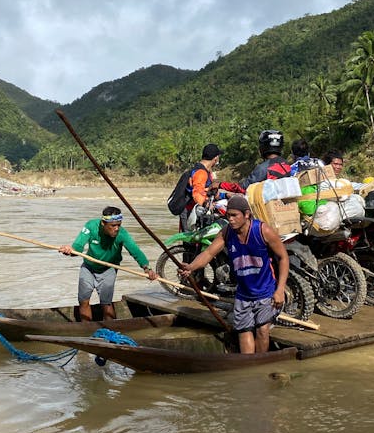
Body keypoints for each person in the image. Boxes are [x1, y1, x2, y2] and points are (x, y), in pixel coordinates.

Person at [180, 194, 289, 354]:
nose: (230, 219)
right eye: (228, 215)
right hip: (243, 294)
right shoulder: (227, 233)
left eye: (234, 215)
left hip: (266, 292)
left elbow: (283, 257)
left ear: (246, 215)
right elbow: (209, 253)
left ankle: (260, 365)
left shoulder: (262, 230)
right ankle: (248, 369)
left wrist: (280, 290)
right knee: (244, 331)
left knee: (262, 330)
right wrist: (190, 267)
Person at [59, 206, 157, 321]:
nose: (116, 229)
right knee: (83, 301)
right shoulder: (91, 226)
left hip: (108, 269)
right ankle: (87, 330)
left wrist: (147, 269)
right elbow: (78, 246)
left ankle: (110, 332)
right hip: (89, 268)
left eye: (118, 225)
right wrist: (70, 251)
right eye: (113, 226)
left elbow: (135, 251)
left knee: (106, 303)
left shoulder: (122, 234)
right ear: (103, 223)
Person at [181, 143, 222, 230]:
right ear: (216, 158)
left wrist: (224, 196)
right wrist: (206, 204)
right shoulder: (201, 172)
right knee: (191, 241)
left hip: (195, 211)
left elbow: (206, 191)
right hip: (191, 213)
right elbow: (197, 194)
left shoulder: (205, 171)